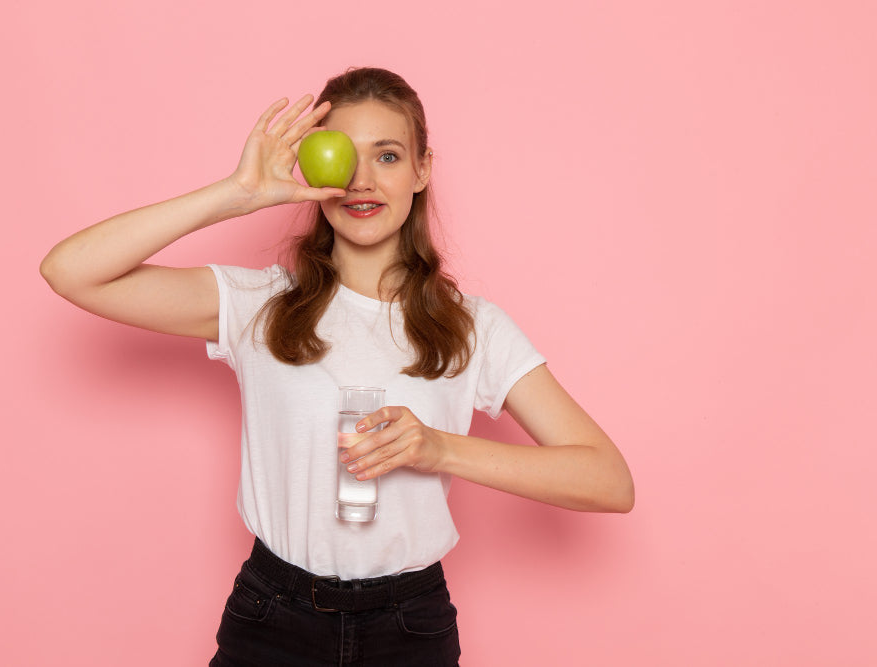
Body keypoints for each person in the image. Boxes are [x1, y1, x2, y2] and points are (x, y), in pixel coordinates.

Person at [41, 67, 634, 667]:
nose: (362, 180)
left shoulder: (472, 326)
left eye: (389, 156)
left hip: (411, 626)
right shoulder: (260, 305)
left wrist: (438, 449)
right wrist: (235, 195)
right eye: (342, 156)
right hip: (273, 615)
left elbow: (607, 481)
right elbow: (71, 271)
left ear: (422, 170)